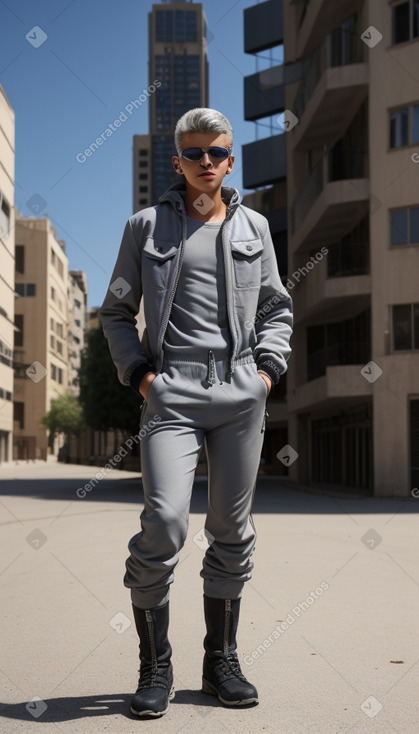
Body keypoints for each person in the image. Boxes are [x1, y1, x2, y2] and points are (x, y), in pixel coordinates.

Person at [99, 107, 293, 718]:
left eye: (216, 152)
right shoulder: (145, 227)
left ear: (229, 160)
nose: (205, 161)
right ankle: (154, 666)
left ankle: (220, 662)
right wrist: (140, 376)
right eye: (193, 152)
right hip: (171, 392)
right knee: (164, 521)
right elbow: (114, 312)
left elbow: (276, 307)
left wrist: (266, 373)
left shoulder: (255, 228)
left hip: (241, 392)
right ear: (177, 160)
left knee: (233, 531)